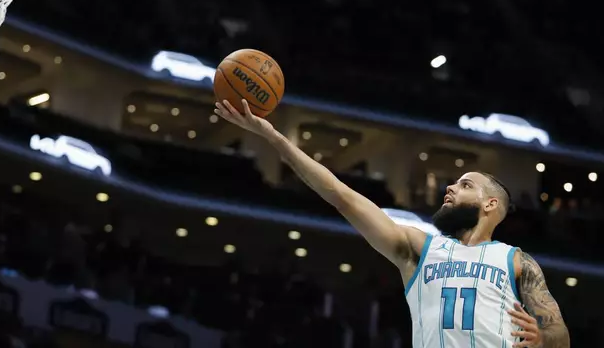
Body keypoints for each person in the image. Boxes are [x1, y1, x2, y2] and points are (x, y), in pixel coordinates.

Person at [214, 99, 570, 348]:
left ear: (490, 204)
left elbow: (559, 333)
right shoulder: (419, 249)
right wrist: (275, 138)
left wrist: (543, 340)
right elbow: (342, 195)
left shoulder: (517, 262)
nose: (449, 186)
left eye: (465, 185)